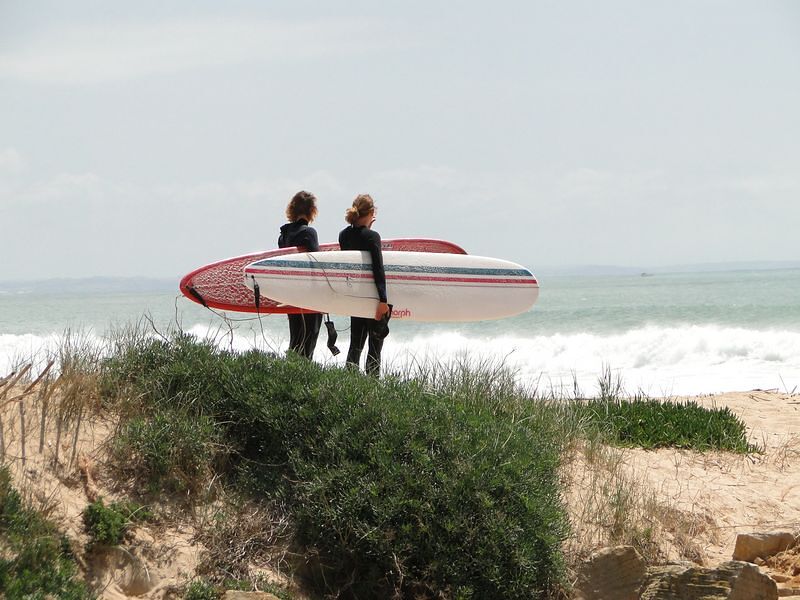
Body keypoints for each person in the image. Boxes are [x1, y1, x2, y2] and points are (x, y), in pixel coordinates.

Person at [338, 194, 391, 376]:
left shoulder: (343, 236)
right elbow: (377, 268)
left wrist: (367, 227)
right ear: (371, 213)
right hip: (374, 299)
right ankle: (372, 390)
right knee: (375, 349)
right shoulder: (372, 237)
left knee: (355, 346)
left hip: (356, 297)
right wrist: (383, 299)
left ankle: (349, 385)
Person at [278, 191, 322, 359]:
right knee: (308, 343)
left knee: (295, 340)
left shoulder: (283, 236)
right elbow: (316, 263)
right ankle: (303, 379)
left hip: (290, 295)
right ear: (312, 210)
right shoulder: (309, 233)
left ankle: (289, 376)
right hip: (309, 296)